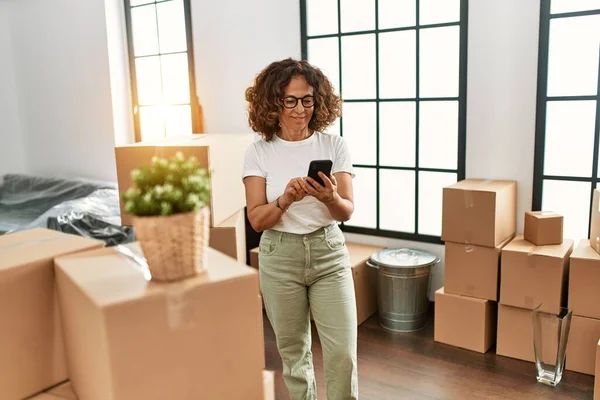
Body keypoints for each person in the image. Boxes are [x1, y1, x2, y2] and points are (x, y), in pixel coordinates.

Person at [242, 58, 357, 400]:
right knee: (295, 357)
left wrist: (330, 196)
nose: (299, 109)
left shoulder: (333, 145)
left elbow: (346, 211)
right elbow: (256, 220)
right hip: (280, 255)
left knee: (343, 354)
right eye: (290, 100)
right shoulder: (258, 153)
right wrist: (285, 200)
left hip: (328, 253)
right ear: (273, 103)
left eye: (307, 99)